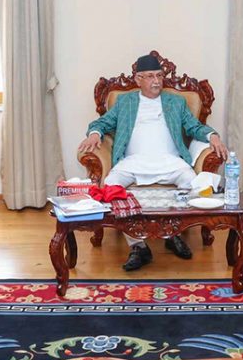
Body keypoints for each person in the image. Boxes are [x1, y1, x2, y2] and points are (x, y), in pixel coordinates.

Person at [78, 54, 229, 271]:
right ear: (138, 79)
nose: (156, 81)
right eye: (150, 76)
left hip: (171, 162)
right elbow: (102, 123)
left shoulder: (176, 102)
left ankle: (173, 234)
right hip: (132, 162)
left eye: (159, 76)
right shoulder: (125, 102)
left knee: (193, 184)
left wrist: (212, 136)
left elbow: (194, 127)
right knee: (111, 186)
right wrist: (95, 134)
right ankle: (138, 246)